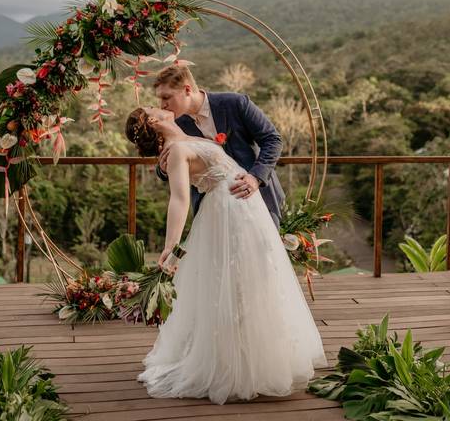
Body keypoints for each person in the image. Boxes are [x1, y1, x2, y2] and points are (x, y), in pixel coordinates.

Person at [126, 106, 326, 404]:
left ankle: (257, 357)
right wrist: (171, 247)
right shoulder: (176, 151)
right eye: (155, 107)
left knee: (256, 281)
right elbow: (179, 199)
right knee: (235, 286)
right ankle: (235, 367)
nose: (163, 105)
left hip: (245, 207)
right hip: (229, 213)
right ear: (153, 121)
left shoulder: (182, 138)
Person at [153, 65, 286, 227]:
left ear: (187, 90)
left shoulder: (235, 103)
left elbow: (273, 139)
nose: (162, 105)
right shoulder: (175, 124)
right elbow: (163, 170)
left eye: (166, 97)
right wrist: (163, 167)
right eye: (160, 99)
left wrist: (256, 177)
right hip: (211, 210)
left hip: (256, 197)